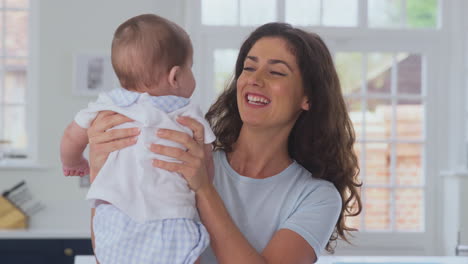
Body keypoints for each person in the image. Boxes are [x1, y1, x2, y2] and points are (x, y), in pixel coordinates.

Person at [86, 22, 362, 264]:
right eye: (249, 67)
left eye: (276, 72)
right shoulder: (180, 158)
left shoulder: (316, 197)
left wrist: (204, 188)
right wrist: (100, 171)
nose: (254, 79)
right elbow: (115, 256)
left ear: (308, 98)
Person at [60, 14, 215, 264]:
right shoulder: (188, 114)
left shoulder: (107, 107)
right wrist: (203, 186)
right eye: (191, 67)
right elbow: (205, 161)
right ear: (175, 77)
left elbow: (71, 136)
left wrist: (74, 162)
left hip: (115, 218)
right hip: (172, 218)